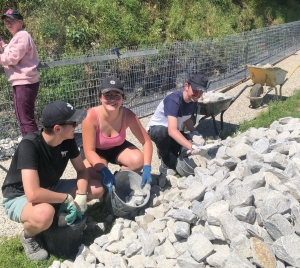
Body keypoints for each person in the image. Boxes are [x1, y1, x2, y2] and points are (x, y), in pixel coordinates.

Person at [1, 100, 104, 261]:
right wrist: (67, 198)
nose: (77, 125)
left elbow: (82, 170)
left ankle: (59, 214)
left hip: (50, 187)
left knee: (96, 188)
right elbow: (33, 194)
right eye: (73, 123)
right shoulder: (30, 146)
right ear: (57, 128)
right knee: (44, 214)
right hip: (19, 195)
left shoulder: (67, 140)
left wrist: (82, 196)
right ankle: (29, 236)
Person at [82, 75, 153, 192]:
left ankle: (117, 179)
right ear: (100, 97)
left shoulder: (128, 115)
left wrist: (147, 167)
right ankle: (106, 183)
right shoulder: (90, 116)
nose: (112, 100)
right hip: (96, 151)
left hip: (117, 148)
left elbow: (146, 141)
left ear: (122, 98)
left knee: (138, 161)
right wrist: (104, 171)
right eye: (107, 95)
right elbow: (89, 151)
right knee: (94, 175)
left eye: (116, 96)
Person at [146, 73, 208, 174]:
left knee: (183, 151)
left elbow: (186, 118)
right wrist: (191, 146)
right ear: (187, 86)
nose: (197, 94)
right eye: (195, 90)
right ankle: (164, 157)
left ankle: (170, 150)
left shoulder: (193, 101)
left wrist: (194, 132)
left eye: (201, 92)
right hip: (158, 130)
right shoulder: (173, 100)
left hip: (174, 130)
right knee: (163, 133)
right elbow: (172, 130)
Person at [0, 9, 40, 136]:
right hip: (22, 82)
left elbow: (12, 58)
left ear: (21, 23)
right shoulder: (17, 37)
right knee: (23, 117)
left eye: (12, 21)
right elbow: (11, 52)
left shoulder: (23, 35)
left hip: (25, 82)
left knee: (26, 119)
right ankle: (31, 147)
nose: (9, 24)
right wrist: (2, 44)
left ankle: (33, 149)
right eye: (6, 22)